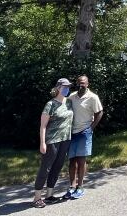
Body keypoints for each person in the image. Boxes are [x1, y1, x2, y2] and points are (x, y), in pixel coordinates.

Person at [33, 78, 74, 208]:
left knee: (57, 167)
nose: (67, 89)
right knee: (45, 168)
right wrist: (42, 143)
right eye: (64, 87)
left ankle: (49, 195)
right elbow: (43, 126)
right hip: (52, 141)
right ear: (58, 88)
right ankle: (37, 197)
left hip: (65, 139)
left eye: (68, 87)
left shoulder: (69, 103)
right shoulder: (50, 104)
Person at [64, 74, 103, 200]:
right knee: (72, 161)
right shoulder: (71, 96)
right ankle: (72, 186)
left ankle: (80, 187)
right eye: (79, 83)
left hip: (84, 132)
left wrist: (91, 128)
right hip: (72, 132)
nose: (81, 85)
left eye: (83, 83)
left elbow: (99, 112)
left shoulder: (93, 97)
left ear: (87, 84)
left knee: (81, 160)